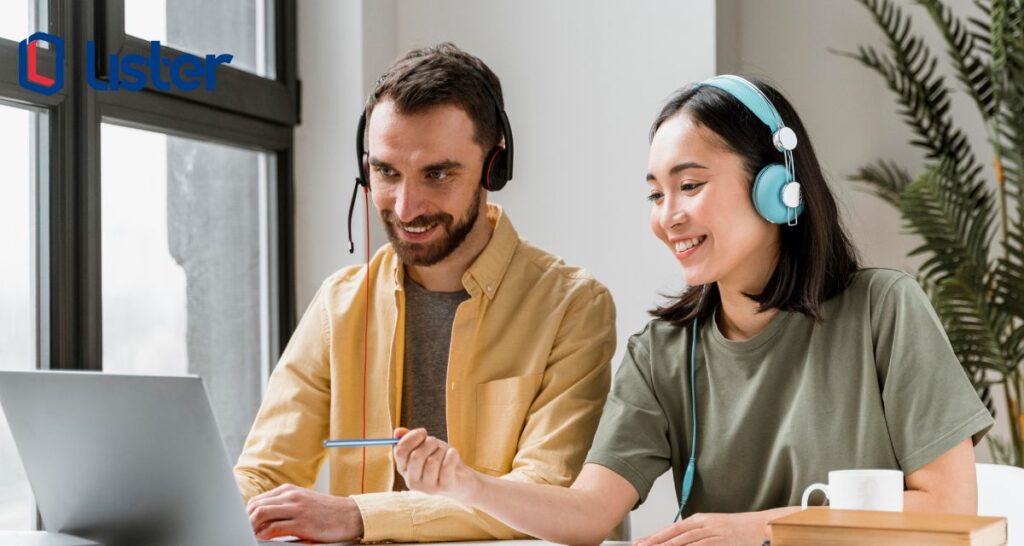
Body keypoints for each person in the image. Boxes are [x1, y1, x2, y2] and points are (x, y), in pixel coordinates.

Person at [391, 75, 995, 546]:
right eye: (656, 193)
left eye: (690, 184)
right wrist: (467, 485)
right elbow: (587, 515)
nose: (668, 215)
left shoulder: (883, 310)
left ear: (775, 186)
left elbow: (949, 505)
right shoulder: (660, 354)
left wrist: (758, 526)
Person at [235, 43, 616, 543]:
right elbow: (265, 473)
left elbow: (545, 495)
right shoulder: (340, 305)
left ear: (492, 168)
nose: (406, 206)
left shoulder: (573, 306)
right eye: (386, 172)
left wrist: (358, 516)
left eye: (437, 174)